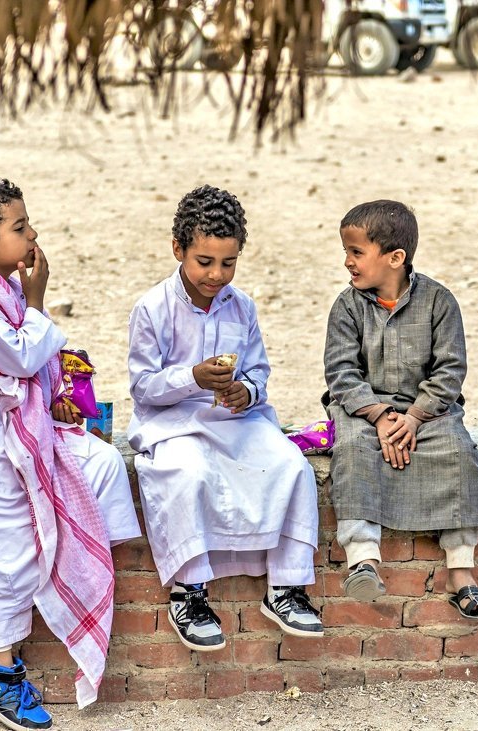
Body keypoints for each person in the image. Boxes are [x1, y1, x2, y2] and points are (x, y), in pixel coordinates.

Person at [0, 178, 141, 729]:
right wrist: (38, 299)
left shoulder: (2, 290)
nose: (33, 234)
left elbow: (31, 369)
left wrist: (55, 398)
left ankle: (80, 560)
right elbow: (19, 356)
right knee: (7, 551)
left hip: (14, 435)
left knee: (100, 466)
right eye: (20, 228)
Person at [127, 184, 324, 651]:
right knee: (188, 473)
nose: (217, 274)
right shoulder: (152, 308)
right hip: (174, 423)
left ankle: (286, 586)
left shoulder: (242, 306)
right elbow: (143, 387)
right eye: (205, 261)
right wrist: (192, 377)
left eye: (228, 262)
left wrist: (246, 391)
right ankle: (189, 592)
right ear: (178, 250)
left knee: (292, 466)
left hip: (237, 422)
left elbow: (259, 371)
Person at [323, 200, 478, 620]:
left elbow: (450, 371)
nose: (347, 262)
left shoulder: (439, 302)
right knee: (354, 450)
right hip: (363, 409)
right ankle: (363, 558)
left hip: (428, 411)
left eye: (356, 252)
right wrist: (380, 416)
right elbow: (341, 373)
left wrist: (415, 417)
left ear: (395, 258)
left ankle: (461, 571)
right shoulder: (347, 306)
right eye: (346, 251)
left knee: (458, 453)